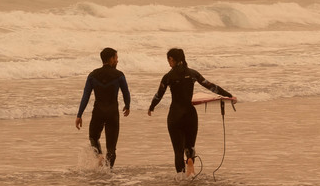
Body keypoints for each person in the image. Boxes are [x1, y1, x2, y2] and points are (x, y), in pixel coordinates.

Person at [148, 47, 234, 178]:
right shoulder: (193, 74)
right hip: (190, 115)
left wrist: (151, 107)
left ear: (172, 59)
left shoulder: (168, 77)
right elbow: (211, 86)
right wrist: (228, 95)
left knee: (178, 151)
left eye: (168, 60)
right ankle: (190, 160)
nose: (168, 63)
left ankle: (181, 180)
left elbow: (158, 95)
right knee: (190, 146)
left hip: (175, 115)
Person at [76, 47, 131, 168]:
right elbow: (126, 93)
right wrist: (127, 106)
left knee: (93, 138)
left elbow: (85, 96)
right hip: (112, 113)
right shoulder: (119, 75)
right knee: (111, 148)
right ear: (111, 59)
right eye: (116, 58)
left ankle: (99, 156)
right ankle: (108, 173)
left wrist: (79, 115)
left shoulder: (93, 75)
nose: (117, 61)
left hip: (98, 112)